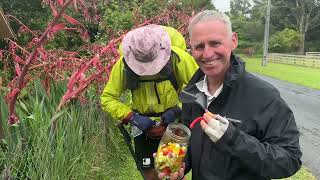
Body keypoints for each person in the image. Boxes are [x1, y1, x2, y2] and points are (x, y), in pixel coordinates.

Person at [162, 10, 302, 180]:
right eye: (199, 46)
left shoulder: (264, 96)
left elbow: (290, 159)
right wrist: (178, 163)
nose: (207, 54)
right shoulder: (192, 93)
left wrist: (232, 139)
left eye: (215, 43)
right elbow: (193, 146)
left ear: (233, 40)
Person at [100, 24, 198, 180]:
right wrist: (132, 117)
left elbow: (201, 90)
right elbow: (107, 97)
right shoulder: (124, 64)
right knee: (150, 175)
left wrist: (178, 110)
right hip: (142, 126)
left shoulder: (178, 58)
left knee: (174, 173)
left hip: (173, 126)